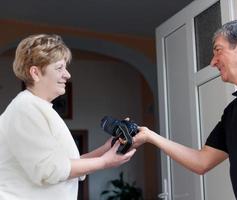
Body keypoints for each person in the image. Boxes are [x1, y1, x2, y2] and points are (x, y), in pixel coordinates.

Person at [134, 20, 237, 200]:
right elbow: (202, 162)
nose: (213, 62)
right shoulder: (233, 110)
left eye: (218, 51)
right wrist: (150, 136)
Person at [0, 34, 136, 200]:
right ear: (35, 73)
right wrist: (105, 162)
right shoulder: (25, 109)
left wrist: (108, 148)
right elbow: (49, 170)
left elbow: (68, 165)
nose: (67, 75)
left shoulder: (40, 109)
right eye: (59, 68)